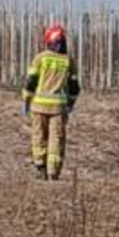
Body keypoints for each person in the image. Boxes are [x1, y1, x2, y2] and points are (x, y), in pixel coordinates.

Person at [21, 24, 80, 180]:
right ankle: (53, 172)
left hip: (38, 106)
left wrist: (26, 100)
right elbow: (74, 87)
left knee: (38, 136)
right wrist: (70, 104)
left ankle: (40, 167)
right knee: (56, 139)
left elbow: (31, 82)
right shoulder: (68, 61)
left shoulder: (40, 58)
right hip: (58, 108)